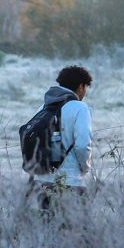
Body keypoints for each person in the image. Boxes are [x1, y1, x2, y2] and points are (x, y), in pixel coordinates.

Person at [30, 65, 93, 215]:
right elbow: (83, 146)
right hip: (71, 180)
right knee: (76, 231)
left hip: (42, 180)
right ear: (81, 86)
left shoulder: (44, 107)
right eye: (86, 88)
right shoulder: (80, 108)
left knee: (47, 229)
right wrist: (85, 169)